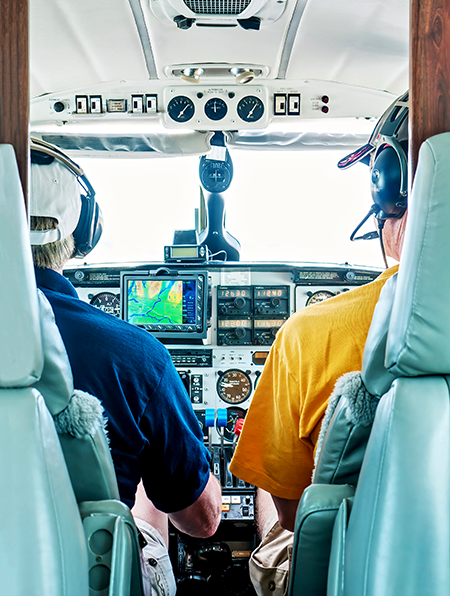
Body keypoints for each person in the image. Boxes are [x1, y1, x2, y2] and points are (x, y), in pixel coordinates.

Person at [229, 92, 409, 596]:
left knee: (277, 482)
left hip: (351, 572)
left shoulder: (307, 335)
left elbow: (293, 513)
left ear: (387, 192)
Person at [29, 140, 221, 596]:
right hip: (94, 576)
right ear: (81, 231)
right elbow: (201, 522)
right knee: (145, 504)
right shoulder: (136, 355)